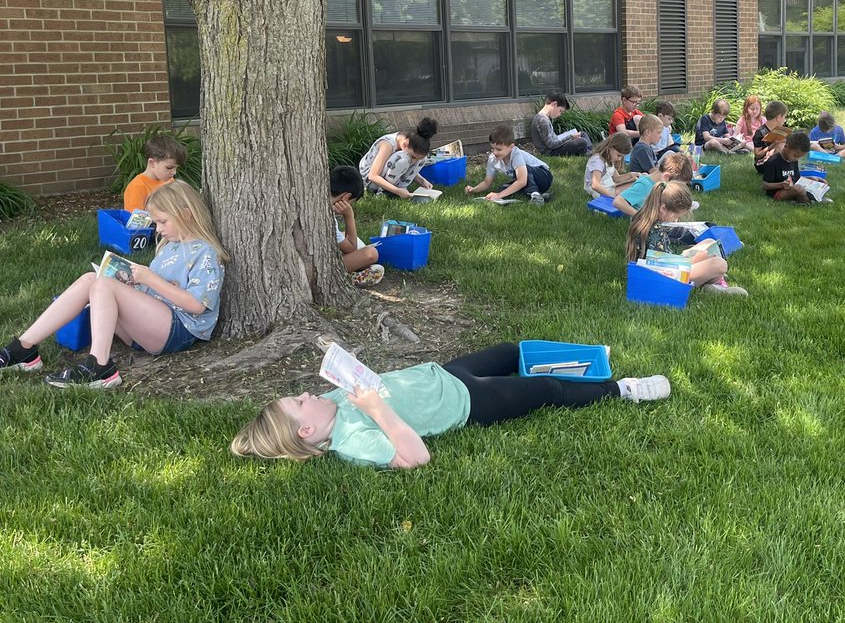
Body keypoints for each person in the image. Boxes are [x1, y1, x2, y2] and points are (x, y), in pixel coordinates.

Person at [229, 342, 671, 467]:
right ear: (307, 431)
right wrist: (375, 409)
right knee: (546, 390)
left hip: (443, 373)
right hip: (468, 403)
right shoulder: (351, 440)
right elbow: (415, 457)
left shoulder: (328, 402)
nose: (307, 394)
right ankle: (624, 390)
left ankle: (584, 359)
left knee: (510, 351)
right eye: (299, 402)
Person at [0, 181, 227, 388]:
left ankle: (100, 367)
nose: (158, 229)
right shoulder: (170, 245)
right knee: (91, 279)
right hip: (149, 327)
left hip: (179, 330)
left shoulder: (205, 252)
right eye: (156, 222)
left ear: (186, 214)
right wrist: (135, 285)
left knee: (104, 286)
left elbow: (197, 305)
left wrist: (150, 278)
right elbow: (156, 292)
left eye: (163, 221)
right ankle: (23, 349)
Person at [626, 181, 746, 295]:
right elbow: (662, 267)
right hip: (660, 278)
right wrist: (693, 260)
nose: (676, 220)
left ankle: (710, 280)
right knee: (720, 264)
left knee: (708, 242)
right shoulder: (654, 231)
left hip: (662, 268)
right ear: (663, 209)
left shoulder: (645, 217)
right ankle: (714, 282)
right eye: (676, 216)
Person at [465, 124, 553, 205]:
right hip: (530, 181)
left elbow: (522, 181)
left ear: (511, 147)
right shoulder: (492, 159)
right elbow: (487, 182)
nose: (494, 152)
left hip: (543, 176)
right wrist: (473, 190)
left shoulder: (516, 154)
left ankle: (535, 195)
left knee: (521, 174)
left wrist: (499, 195)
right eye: (492, 148)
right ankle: (541, 195)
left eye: (498, 149)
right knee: (504, 189)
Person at [330, 166, 384, 288]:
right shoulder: (329, 219)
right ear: (345, 197)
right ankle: (348, 278)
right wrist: (349, 215)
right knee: (371, 253)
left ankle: (355, 269)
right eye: (351, 203)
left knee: (344, 235)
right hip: (323, 267)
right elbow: (350, 248)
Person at [359, 117, 440, 198]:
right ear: (405, 145)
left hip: (384, 176)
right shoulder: (387, 145)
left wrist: (422, 180)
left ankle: (402, 188)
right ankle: (385, 192)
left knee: (421, 159)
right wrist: (397, 191)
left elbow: (395, 166)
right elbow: (372, 176)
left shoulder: (408, 143)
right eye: (413, 157)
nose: (413, 161)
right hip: (369, 181)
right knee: (403, 158)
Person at [614, 152, 693, 216]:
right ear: (666, 177)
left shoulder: (660, 184)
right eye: (677, 186)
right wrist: (640, 217)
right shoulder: (644, 186)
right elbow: (618, 201)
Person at [123, 133, 187, 211]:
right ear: (152, 163)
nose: (174, 172)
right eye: (169, 167)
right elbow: (134, 217)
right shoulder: (137, 187)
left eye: (176, 168)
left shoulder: (170, 181)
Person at [758, 131, 817, 203]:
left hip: (792, 188)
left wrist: (810, 178)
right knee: (799, 189)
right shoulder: (772, 162)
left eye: (799, 157)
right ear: (786, 147)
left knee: (815, 180)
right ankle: (809, 202)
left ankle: (812, 198)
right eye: (795, 156)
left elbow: (796, 179)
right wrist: (781, 185)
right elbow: (765, 185)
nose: (797, 159)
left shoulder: (793, 160)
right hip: (778, 192)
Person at [530, 92, 592, 157]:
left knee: (582, 133)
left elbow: (553, 139)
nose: (559, 114)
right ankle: (588, 151)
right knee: (582, 142)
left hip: (555, 142)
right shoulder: (542, 121)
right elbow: (551, 145)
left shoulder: (543, 117)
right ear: (554, 104)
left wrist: (566, 136)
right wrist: (570, 137)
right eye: (560, 111)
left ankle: (588, 151)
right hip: (551, 151)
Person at [585, 133, 637, 199]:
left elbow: (616, 178)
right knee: (637, 186)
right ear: (610, 148)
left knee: (638, 183)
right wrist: (612, 197)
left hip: (609, 188)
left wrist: (631, 175)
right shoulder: (597, 160)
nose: (619, 159)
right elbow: (595, 185)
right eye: (619, 155)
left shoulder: (609, 158)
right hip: (601, 193)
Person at [752, 100, 789, 165]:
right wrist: (773, 144)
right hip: (762, 163)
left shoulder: (781, 130)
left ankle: (789, 167)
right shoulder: (760, 132)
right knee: (780, 145)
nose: (784, 120)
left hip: (775, 159)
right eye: (784, 117)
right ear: (778, 117)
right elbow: (757, 155)